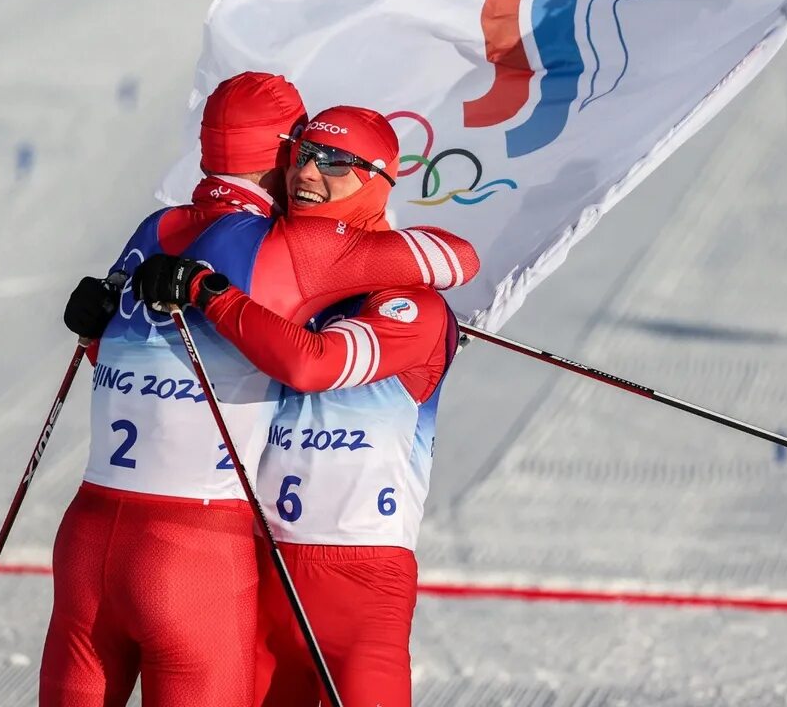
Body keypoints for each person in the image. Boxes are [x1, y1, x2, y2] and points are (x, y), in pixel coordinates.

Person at [41, 79, 477, 707]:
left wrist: (104, 323)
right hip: (204, 552)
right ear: (279, 151)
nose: (308, 170)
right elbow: (455, 257)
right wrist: (216, 294)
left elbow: (126, 359)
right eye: (302, 151)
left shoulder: (158, 228)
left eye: (331, 160)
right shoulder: (297, 248)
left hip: (92, 536)